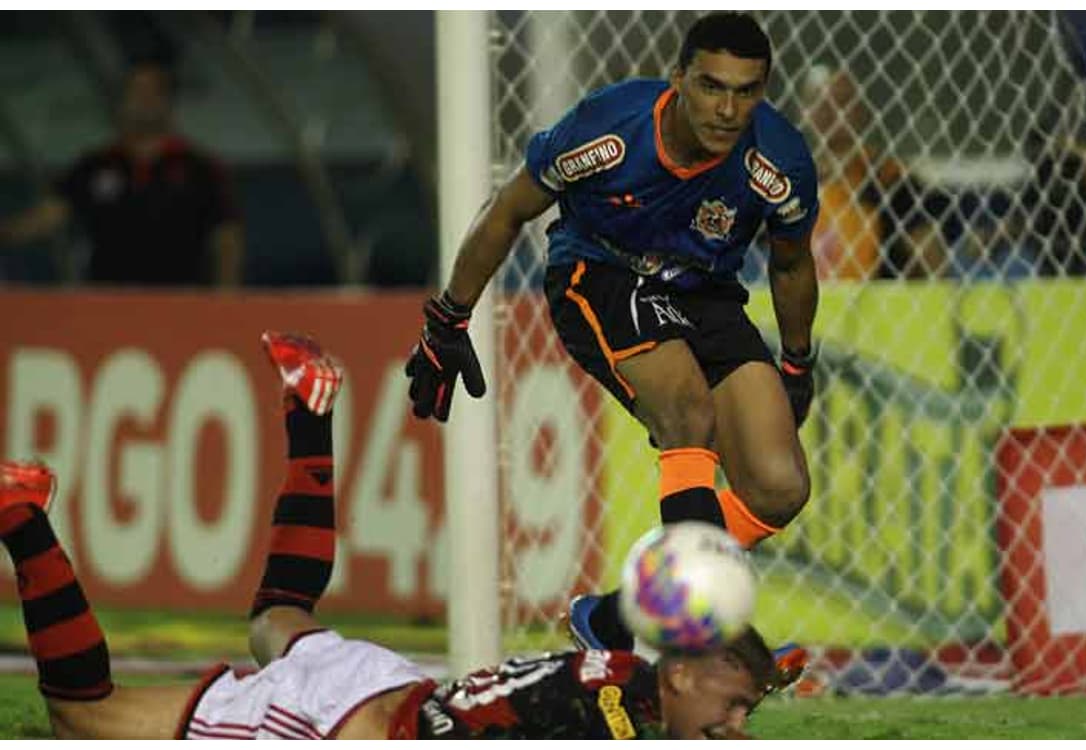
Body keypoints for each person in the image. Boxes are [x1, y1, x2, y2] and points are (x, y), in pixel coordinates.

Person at [0, 332, 792, 740]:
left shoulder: (634, 680)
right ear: (680, 679)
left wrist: (754, 672)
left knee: (276, 621)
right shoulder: (612, 717)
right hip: (331, 725)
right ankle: (22, 518)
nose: (737, 732)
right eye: (730, 712)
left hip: (385, 690)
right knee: (79, 721)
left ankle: (310, 417)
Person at [405, 12, 819, 653]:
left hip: (705, 292)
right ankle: (695, 649)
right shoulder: (611, 129)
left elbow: (792, 263)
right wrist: (448, 318)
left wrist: (797, 362)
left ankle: (616, 619)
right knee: (687, 413)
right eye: (711, 86)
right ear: (678, 79)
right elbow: (511, 209)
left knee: (778, 486)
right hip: (599, 273)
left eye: (746, 91)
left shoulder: (779, 162)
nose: (727, 109)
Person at [0, 59, 243, 287]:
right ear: (122, 102)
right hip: (109, 299)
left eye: (152, 93)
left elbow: (226, 236)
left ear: (168, 101)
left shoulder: (200, 168)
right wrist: (7, 233)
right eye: (136, 93)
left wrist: (225, 298)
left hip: (180, 298)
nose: (144, 102)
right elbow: (48, 216)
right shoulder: (95, 165)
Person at [798, 64, 947, 280]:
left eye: (842, 100)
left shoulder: (890, 180)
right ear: (805, 111)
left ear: (861, 109)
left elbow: (933, 262)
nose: (831, 110)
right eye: (820, 101)